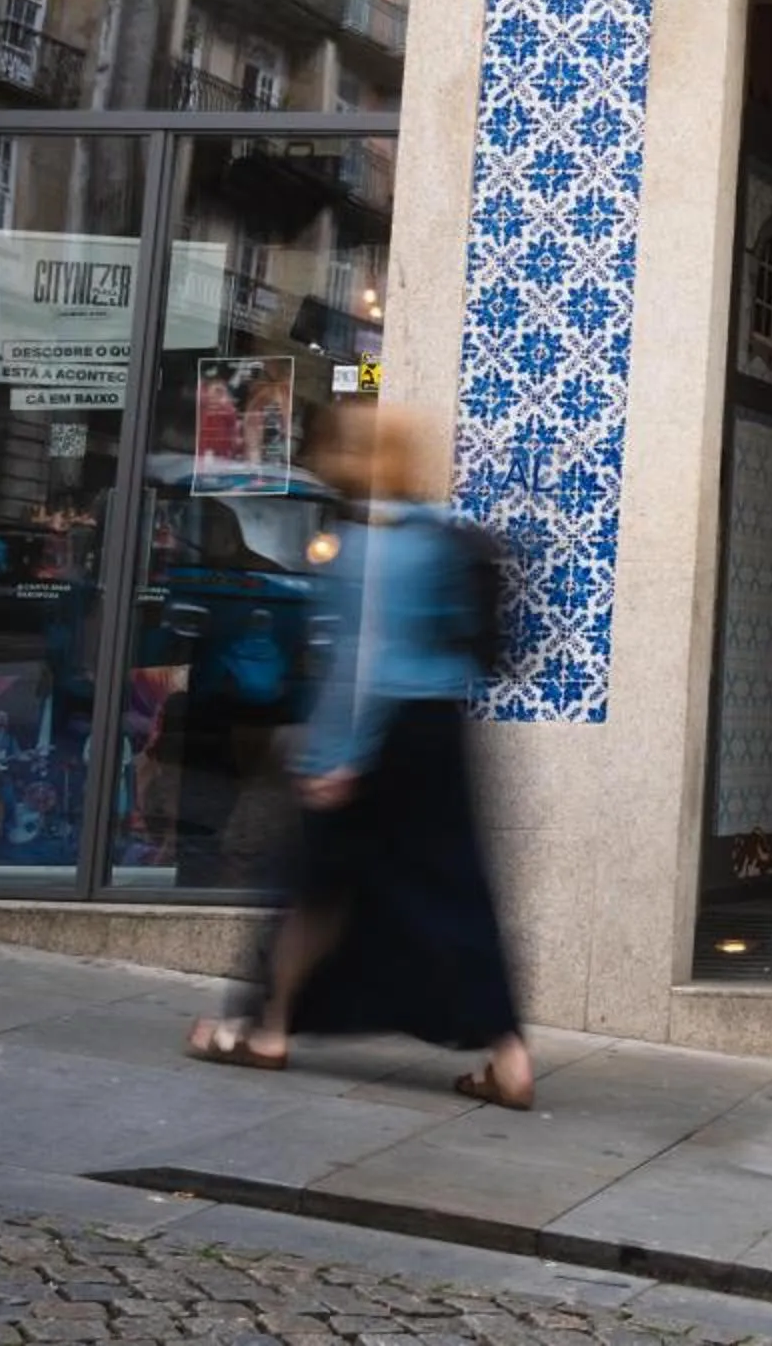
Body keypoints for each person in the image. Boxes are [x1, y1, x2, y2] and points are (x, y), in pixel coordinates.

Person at [185, 404, 534, 1111]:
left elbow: (361, 663)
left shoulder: (363, 543)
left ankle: (268, 1030)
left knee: (312, 883)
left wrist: (339, 756)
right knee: (455, 890)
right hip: (441, 730)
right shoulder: (441, 535)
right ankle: (510, 1056)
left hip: (382, 732)